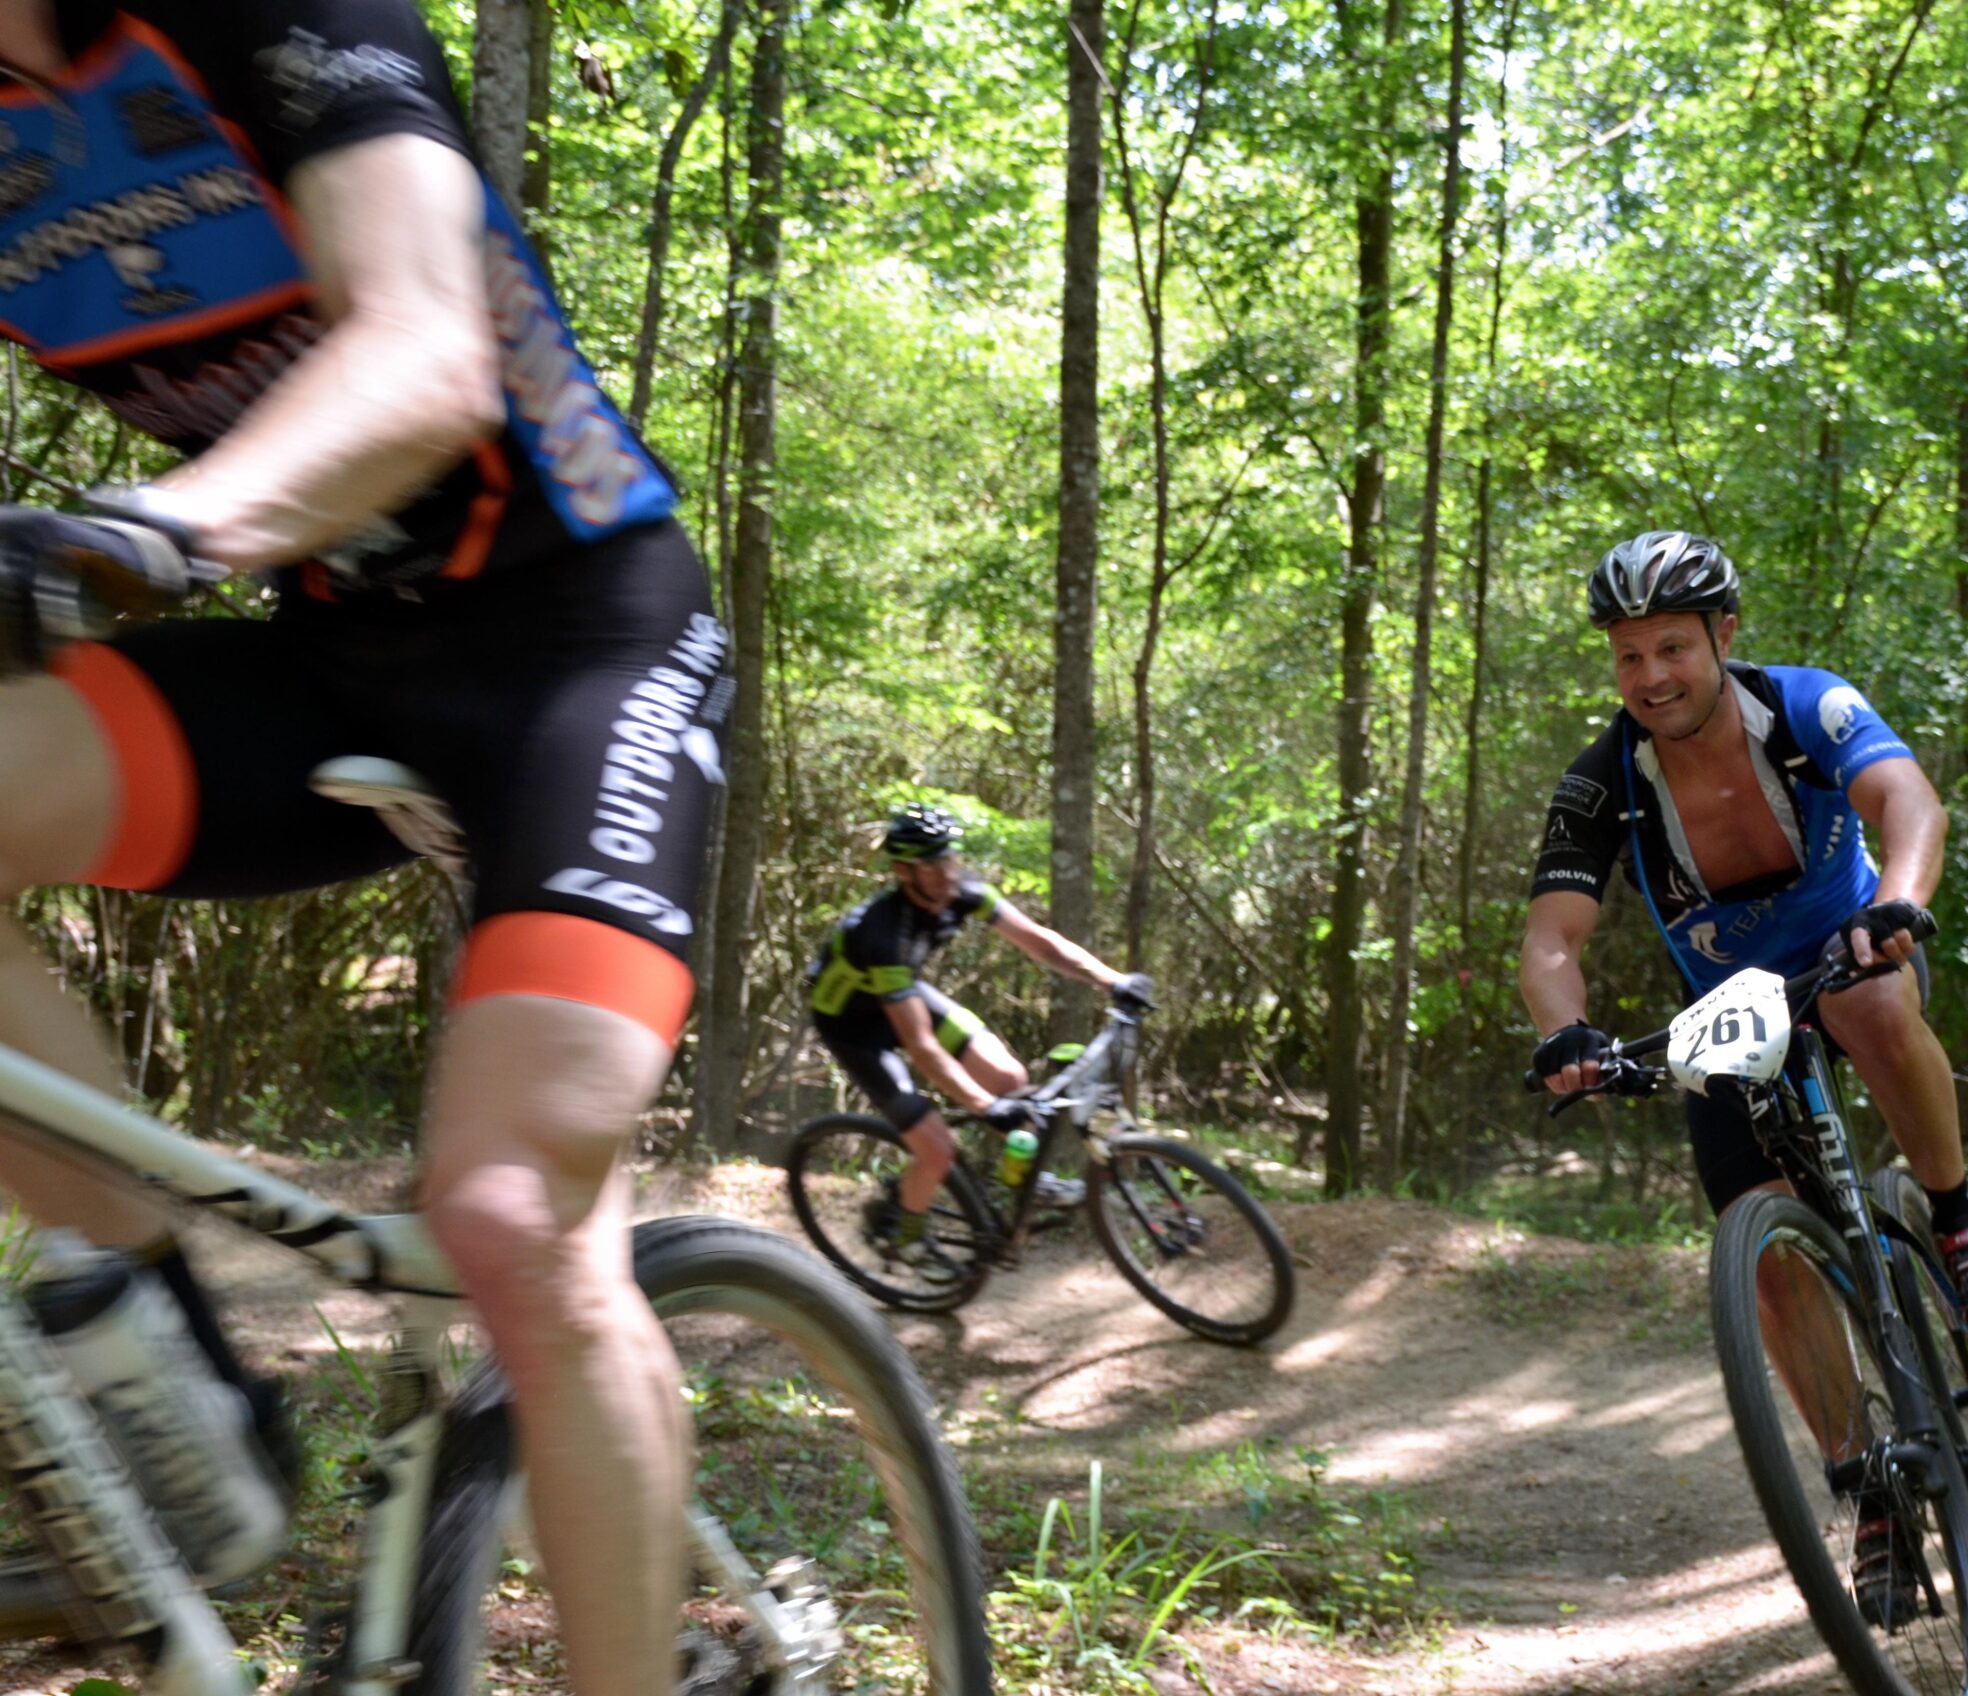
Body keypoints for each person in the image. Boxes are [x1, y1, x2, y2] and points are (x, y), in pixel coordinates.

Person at [0, 3, 722, 1690]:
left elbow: (424, 354)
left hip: (583, 647)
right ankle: (160, 1379)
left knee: (511, 1216)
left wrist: (151, 529)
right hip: (324, 652)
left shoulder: (274, 17)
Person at [1519, 530, 1968, 1623]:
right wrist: (1568, 1035)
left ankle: (1953, 1217)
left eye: (1671, 647)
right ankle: (1868, 1484)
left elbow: (1908, 803)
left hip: (1854, 953)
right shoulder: (1602, 779)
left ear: (1723, 637)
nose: (1650, 676)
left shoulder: (1803, 706)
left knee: (1869, 997)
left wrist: (1896, 900)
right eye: (1626, 656)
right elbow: (1552, 939)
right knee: (1754, 1233)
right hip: (1728, 1013)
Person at [806, 803, 1150, 1276]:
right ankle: (903, 1235)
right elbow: (921, 1046)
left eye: (949, 857)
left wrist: (1112, 981)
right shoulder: (881, 934)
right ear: (905, 872)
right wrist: (984, 1107)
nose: (948, 871)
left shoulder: (961, 889)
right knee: (938, 1147)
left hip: (900, 998)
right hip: (853, 1028)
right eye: (933, 863)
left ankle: (1018, 1178)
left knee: (1011, 1077)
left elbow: (1040, 943)